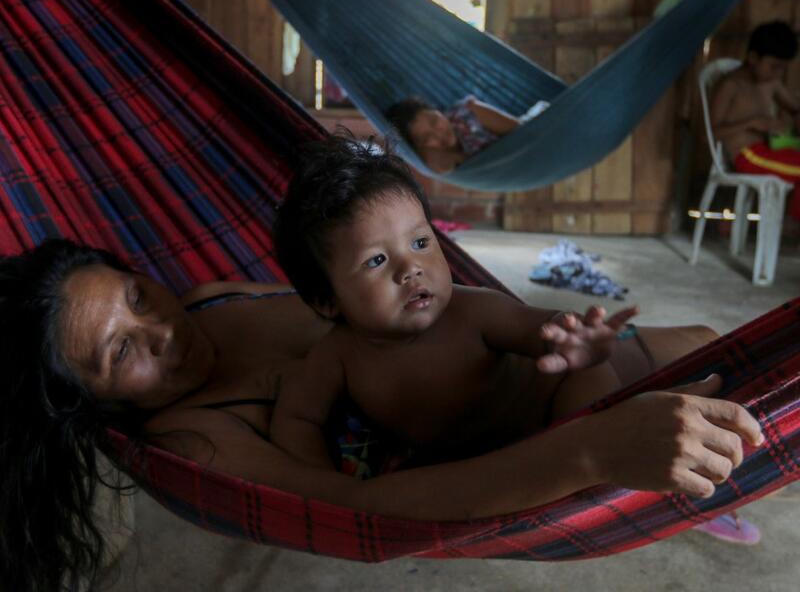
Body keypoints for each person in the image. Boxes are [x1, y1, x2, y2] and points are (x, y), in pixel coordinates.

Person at [0, 236, 763, 592]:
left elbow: (368, 308)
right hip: (543, 434)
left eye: (137, 295)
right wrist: (591, 452)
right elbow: (363, 512)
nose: (162, 329)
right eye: (122, 350)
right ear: (93, 402)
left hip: (523, 361)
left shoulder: (208, 300)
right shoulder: (198, 438)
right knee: (745, 428)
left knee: (719, 352)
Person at [271, 135, 648, 469]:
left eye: (420, 243)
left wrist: (574, 340)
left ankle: (584, 478)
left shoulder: (474, 311)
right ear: (327, 300)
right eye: (376, 260)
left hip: (551, 417)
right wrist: (322, 486)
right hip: (474, 467)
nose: (411, 268)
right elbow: (297, 419)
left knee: (586, 376)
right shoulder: (337, 356)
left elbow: (543, 327)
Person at [710, 20, 800, 219]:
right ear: (753, 58)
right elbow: (712, 132)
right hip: (747, 156)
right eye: (773, 66)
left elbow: (795, 109)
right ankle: (793, 227)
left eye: (782, 68)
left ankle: (792, 226)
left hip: (772, 151)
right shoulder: (731, 85)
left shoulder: (771, 83)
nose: (778, 73)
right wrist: (752, 123)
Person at [385, 95, 549, 173]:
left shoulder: (468, 112)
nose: (438, 134)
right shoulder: (433, 158)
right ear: (419, 148)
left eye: (434, 121)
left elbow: (522, 131)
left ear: (439, 112)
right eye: (427, 138)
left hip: (541, 125)